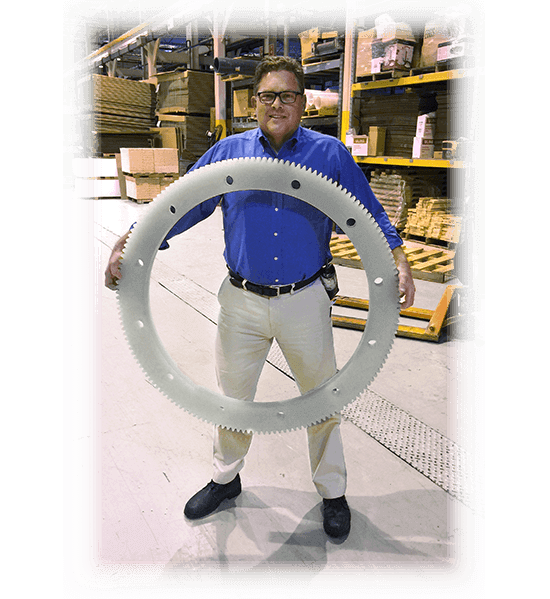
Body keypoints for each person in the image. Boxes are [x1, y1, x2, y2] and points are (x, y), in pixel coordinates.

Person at [105, 56, 415, 539]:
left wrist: (397, 259)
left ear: (303, 103)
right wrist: (133, 240)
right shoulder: (229, 151)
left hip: (305, 299)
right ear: (254, 103)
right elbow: (182, 206)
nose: (277, 104)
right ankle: (225, 480)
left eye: (288, 95)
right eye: (268, 96)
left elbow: (368, 216)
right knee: (234, 398)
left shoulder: (330, 155)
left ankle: (333, 492)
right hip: (242, 300)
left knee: (323, 397)